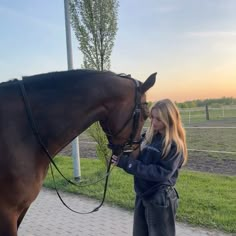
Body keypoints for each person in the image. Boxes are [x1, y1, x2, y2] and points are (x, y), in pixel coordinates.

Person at [111, 99, 188, 236]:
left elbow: (160, 173)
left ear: (169, 119)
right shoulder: (148, 137)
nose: (153, 122)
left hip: (160, 198)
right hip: (142, 194)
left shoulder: (174, 145)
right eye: (152, 117)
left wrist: (127, 164)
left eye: (158, 119)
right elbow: (135, 153)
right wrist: (118, 151)